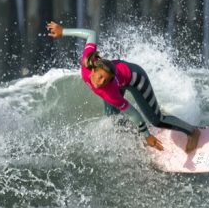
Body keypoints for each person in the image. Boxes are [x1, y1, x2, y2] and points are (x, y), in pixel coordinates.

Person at [46, 21, 200, 153]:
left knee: (156, 120)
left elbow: (133, 113)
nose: (100, 82)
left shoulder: (110, 92)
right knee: (113, 118)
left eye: (105, 81)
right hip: (119, 78)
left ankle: (192, 131)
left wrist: (147, 136)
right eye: (100, 77)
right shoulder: (88, 62)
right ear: (93, 69)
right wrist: (63, 31)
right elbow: (91, 34)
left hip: (136, 78)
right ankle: (137, 134)